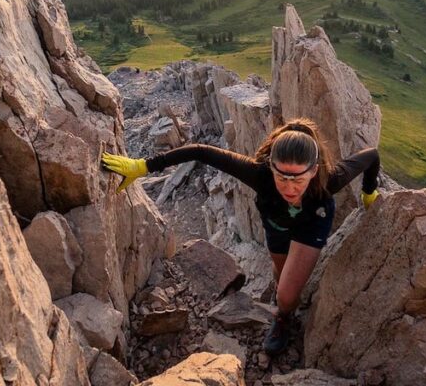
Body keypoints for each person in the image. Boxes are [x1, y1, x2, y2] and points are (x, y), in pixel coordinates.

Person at [99, 117, 381, 355]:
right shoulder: (259, 175)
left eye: (298, 179)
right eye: (281, 177)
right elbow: (201, 152)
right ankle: (285, 303)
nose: (290, 187)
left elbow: (371, 156)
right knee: (280, 274)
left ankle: (283, 315)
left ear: (314, 171)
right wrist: (143, 166)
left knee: (285, 295)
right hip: (276, 224)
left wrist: (369, 191)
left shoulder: (328, 180)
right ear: (271, 167)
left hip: (312, 224)